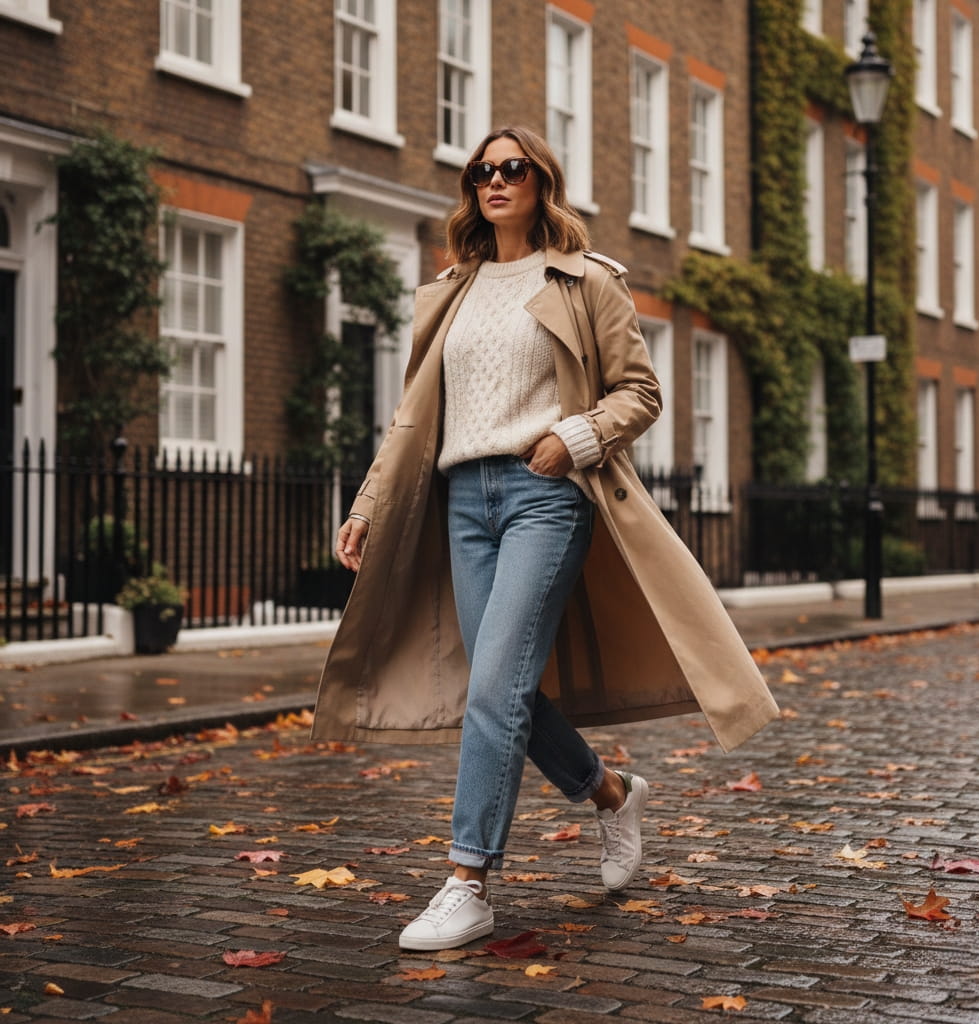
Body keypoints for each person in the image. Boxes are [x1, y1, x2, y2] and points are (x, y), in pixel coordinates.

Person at [312, 126, 779, 952]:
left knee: (492, 686)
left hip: (545, 495)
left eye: (512, 168)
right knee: (510, 689)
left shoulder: (586, 281)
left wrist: (578, 439)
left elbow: (640, 391)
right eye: (481, 171)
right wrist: (369, 503)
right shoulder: (453, 289)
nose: (495, 181)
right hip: (463, 501)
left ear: (541, 182)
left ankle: (468, 881)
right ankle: (612, 793)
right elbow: (414, 414)